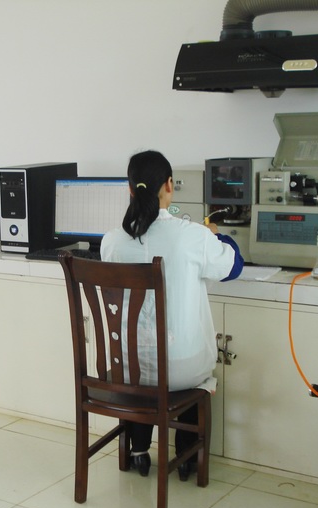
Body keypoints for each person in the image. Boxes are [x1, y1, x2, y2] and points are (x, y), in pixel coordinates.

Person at [100, 150, 243, 480]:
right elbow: (233, 268)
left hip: (127, 368)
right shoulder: (193, 235)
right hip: (181, 371)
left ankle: (138, 450)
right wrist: (216, 235)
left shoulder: (111, 241)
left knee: (144, 369)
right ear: (169, 185)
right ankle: (186, 455)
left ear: (130, 189)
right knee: (193, 368)